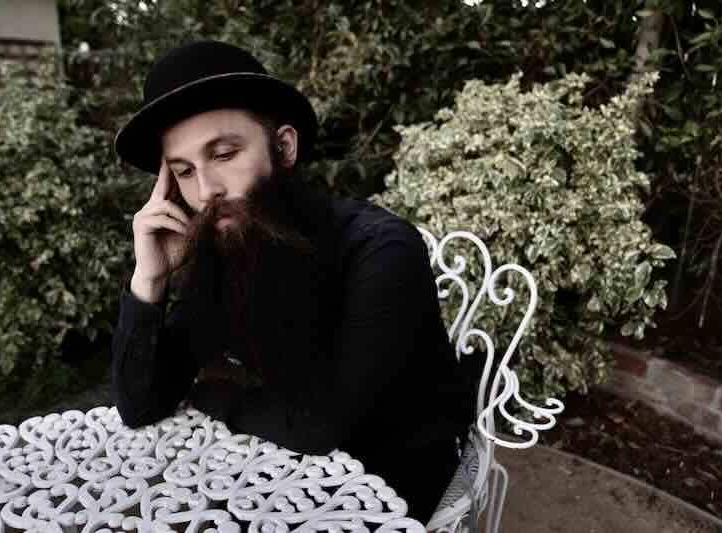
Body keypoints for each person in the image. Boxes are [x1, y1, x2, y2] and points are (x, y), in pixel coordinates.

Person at [110, 39, 476, 525]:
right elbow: (140, 404)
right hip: (277, 470)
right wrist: (150, 278)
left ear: (283, 147)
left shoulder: (380, 248)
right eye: (184, 171)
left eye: (224, 154)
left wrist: (213, 393)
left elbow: (321, 424)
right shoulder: (231, 243)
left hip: (392, 482)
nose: (206, 190)